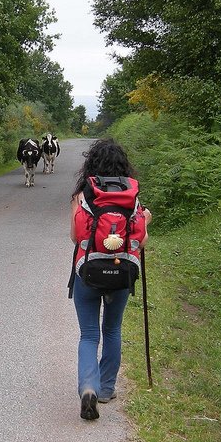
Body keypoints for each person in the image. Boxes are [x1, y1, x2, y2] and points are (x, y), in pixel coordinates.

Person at [69, 139, 152, 421]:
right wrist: (146, 221)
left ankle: (88, 388)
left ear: (91, 165)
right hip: (122, 275)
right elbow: (141, 241)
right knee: (112, 330)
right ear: (123, 166)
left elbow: (76, 237)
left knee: (89, 334)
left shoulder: (84, 195)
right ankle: (105, 388)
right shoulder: (132, 195)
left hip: (88, 274)